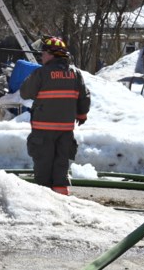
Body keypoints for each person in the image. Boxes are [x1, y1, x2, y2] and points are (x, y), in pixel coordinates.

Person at [19, 36, 90, 196]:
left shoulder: (41, 73)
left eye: (43, 53)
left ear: (51, 54)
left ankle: (45, 202)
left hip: (42, 130)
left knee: (43, 167)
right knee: (61, 166)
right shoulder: (76, 74)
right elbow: (84, 97)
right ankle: (62, 199)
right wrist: (81, 114)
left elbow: (25, 93)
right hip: (65, 130)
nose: (41, 56)